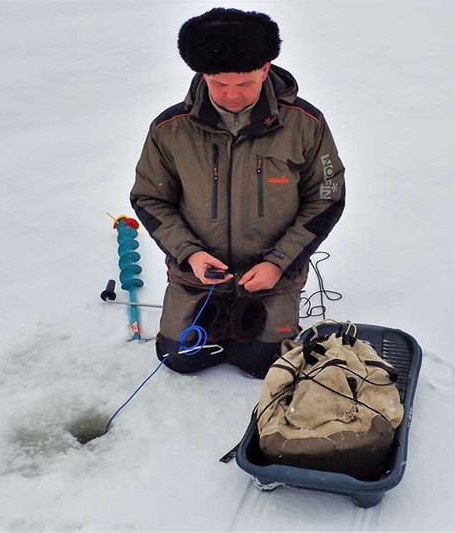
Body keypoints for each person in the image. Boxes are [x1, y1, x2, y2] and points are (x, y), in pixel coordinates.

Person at [130, 7, 345, 378]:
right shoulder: (171, 128)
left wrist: (279, 262)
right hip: (197, 276)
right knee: (180, 358)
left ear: (265, 69)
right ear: (202, 75)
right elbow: (150, 198)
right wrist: (190, 253)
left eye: (244, 83)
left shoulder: (305, 124)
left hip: (271, 275)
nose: (232, 95)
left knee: (265, 364)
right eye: (219, 83)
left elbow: (326, 196)